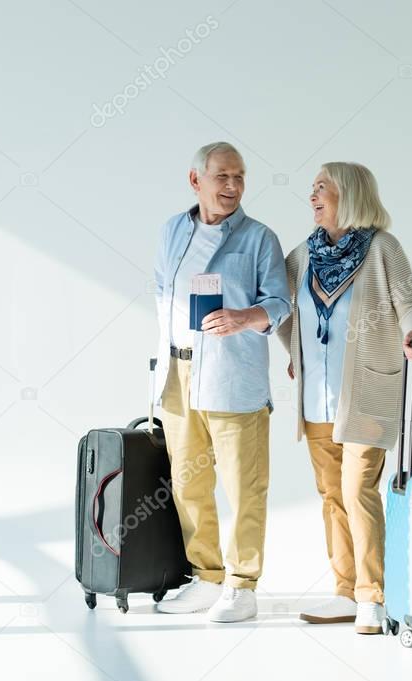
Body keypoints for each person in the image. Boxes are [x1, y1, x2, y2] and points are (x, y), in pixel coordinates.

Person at [278, 162, 412, 634]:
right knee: (331, 496)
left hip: (366, 391)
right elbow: (284, 311)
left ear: (349, 194)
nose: (313, 195)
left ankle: (373, 598)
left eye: (322, 187)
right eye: (312, 188)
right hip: (316, 400)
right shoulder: (302, 255)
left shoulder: (382, 248)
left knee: (356, 490)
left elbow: (411, 300)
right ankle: (344, 591)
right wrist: (293, 354)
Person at [153, 141, 290, 622]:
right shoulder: (172, 230)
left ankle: (242, 585)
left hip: (233, 373)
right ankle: (206, 576)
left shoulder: (258, 238)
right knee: (189, 482)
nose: (232, 187)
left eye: (239, 177)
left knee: (243, 485)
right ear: (197, 181)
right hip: (178, 371)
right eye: (222, 177)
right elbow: (161, 296)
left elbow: (279, 303)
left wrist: (243, 317)